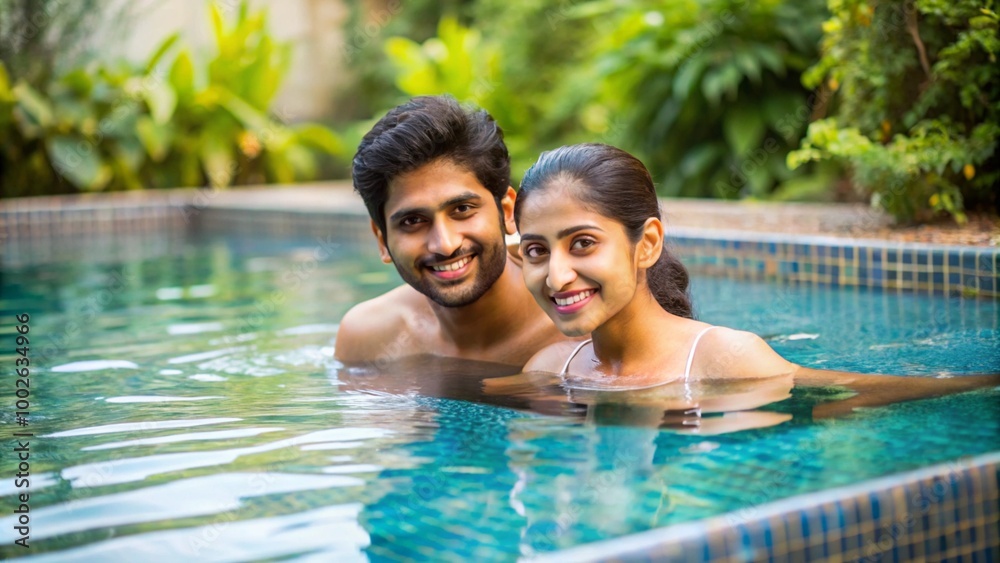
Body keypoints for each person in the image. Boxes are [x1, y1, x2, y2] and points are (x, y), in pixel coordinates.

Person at [511, 143, 999, 403]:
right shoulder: (551, 369)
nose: (556, 276)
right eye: (536, 250)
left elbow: (853, 389)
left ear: (648, 244)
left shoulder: (725, 358)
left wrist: (978, 383)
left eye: (583, 243)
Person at [334, 96, 576, 367]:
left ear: (508, 211)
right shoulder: (367, 339)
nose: (445, 245)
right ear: (382, 239)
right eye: (413, 221)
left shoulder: (583, 331)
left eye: (462, 209)